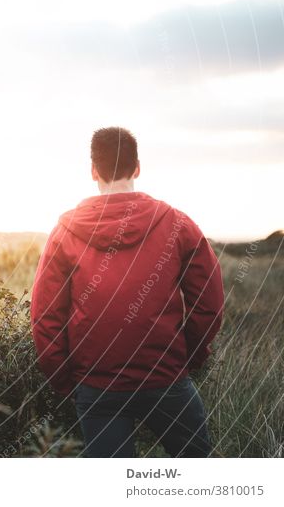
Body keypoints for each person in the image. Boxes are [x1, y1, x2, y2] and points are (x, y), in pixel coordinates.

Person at [30, 126, 224, 457]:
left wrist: (68, 382)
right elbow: (209, 304)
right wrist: (186, 359)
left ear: (93, 172)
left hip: (97, 387)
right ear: (137, 168)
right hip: (166, 378)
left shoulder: (64, 232)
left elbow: (44, 319)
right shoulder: (177, 224)